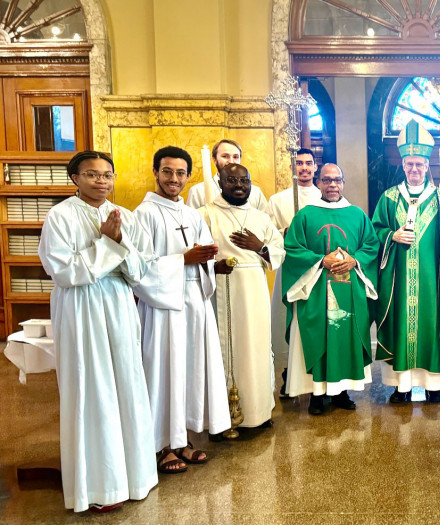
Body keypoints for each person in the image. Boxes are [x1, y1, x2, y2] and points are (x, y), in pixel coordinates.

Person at [38, 151, 157, 512]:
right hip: (81, 309)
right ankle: (98, 487)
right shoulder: (60, 216)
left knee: (127, 384)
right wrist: (107, 245)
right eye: (92, 175)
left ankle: (135, 477)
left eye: (107, 175)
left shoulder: (126, 216)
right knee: (92, 388)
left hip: (119, 306)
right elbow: (63, 271)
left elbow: (141, 269)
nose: (101, 181)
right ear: (75, 178)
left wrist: (118, 245)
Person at [134, 146, 231, 474]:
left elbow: (201, 257)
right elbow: (138, 267)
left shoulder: (192, 215)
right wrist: (184, 259)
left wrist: (209, 260)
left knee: (190, 370)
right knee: (164, 372)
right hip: (163, 308)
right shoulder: (143, 214)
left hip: (194, 304)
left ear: (189, 176)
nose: (174, 179)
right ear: (155, 172)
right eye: (167, 172)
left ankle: (184, 440)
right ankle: (161, 445)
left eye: (180, 173)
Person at [372, 120, 440, 404]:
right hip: (398, 280)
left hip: (431, 280)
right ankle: (403, 388)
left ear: (427, 166)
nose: (414, 170)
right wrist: (392, 236)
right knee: (402, 325)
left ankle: (434, 386)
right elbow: (374, 233)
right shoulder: (388, 198)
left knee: (431, 323)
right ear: (403, 165)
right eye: (409, 164)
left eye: (419, 165)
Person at [281, 163, 379, 415]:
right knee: (320, 335)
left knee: (344, 336)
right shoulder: (305, 215)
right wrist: (319, 260)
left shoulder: (357, 215)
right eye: (326, 180)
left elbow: (371, 245)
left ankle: (341, 391)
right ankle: (317, 394)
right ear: (319, 183)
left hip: (349, 288)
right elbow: (292, 248)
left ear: (343, 183)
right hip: (316, 290)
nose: (332, 185)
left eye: (337, 180)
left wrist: (355, 260)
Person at [199, 163, 285, 430]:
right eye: (231, 180)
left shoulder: (261, 218)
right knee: (223, 352)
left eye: (244, 181)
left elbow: (278, 251)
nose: (238, 186)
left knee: (257, 349)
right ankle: (223, 418)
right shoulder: (205, 215)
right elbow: (195, 254)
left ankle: (258, 413)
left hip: (256, 288)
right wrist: (214, 267)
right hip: (221, 289)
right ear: (220, 183)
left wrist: (259, 248)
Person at [268, 148, 322, 399]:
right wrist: (285, 232)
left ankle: (319, 371)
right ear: (293, 167)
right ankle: (291, 371)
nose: (304, 168)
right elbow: (269, 234)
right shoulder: (278, 200)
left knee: (317, 322)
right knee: (290, 321)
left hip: (319, 271)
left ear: (315, 167)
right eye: (299, 163)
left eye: (308, 163)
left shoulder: (326, 196)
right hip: (291, 268)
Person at [186, 138, 270, 213]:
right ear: (214, 160)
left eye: (235, 157)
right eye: (225, 156)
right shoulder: (198, 191)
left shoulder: (255, 193)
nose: (231, 161)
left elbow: (267, 223)